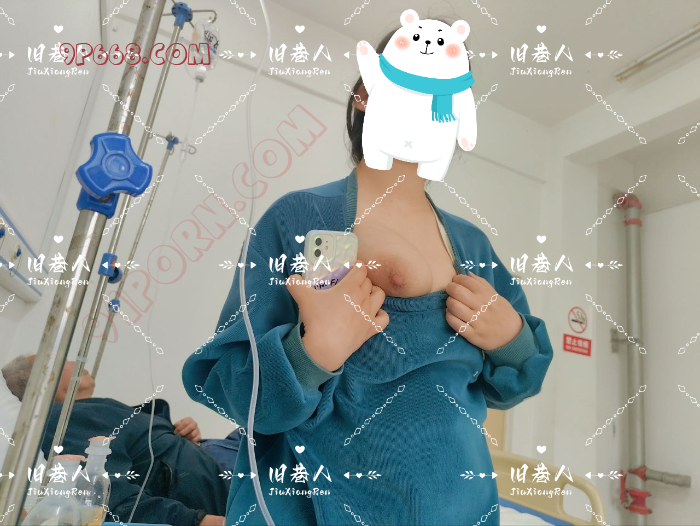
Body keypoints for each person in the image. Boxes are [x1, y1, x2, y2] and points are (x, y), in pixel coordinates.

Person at [182, 17, 554, 526]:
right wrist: (312, 353)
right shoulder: (304, 220)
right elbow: (233, 390)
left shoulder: (471, 245)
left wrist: (511, 340)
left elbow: (518, 381)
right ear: (365, 92)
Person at [2, 355, 240, 526]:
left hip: (219, 456)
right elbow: (106, 498)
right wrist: (195, 520)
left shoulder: (92, 409)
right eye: (61, 359)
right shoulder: (62, 419)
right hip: (225, 485)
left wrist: (182, 434)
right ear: (43, 381)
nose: (77, 360)